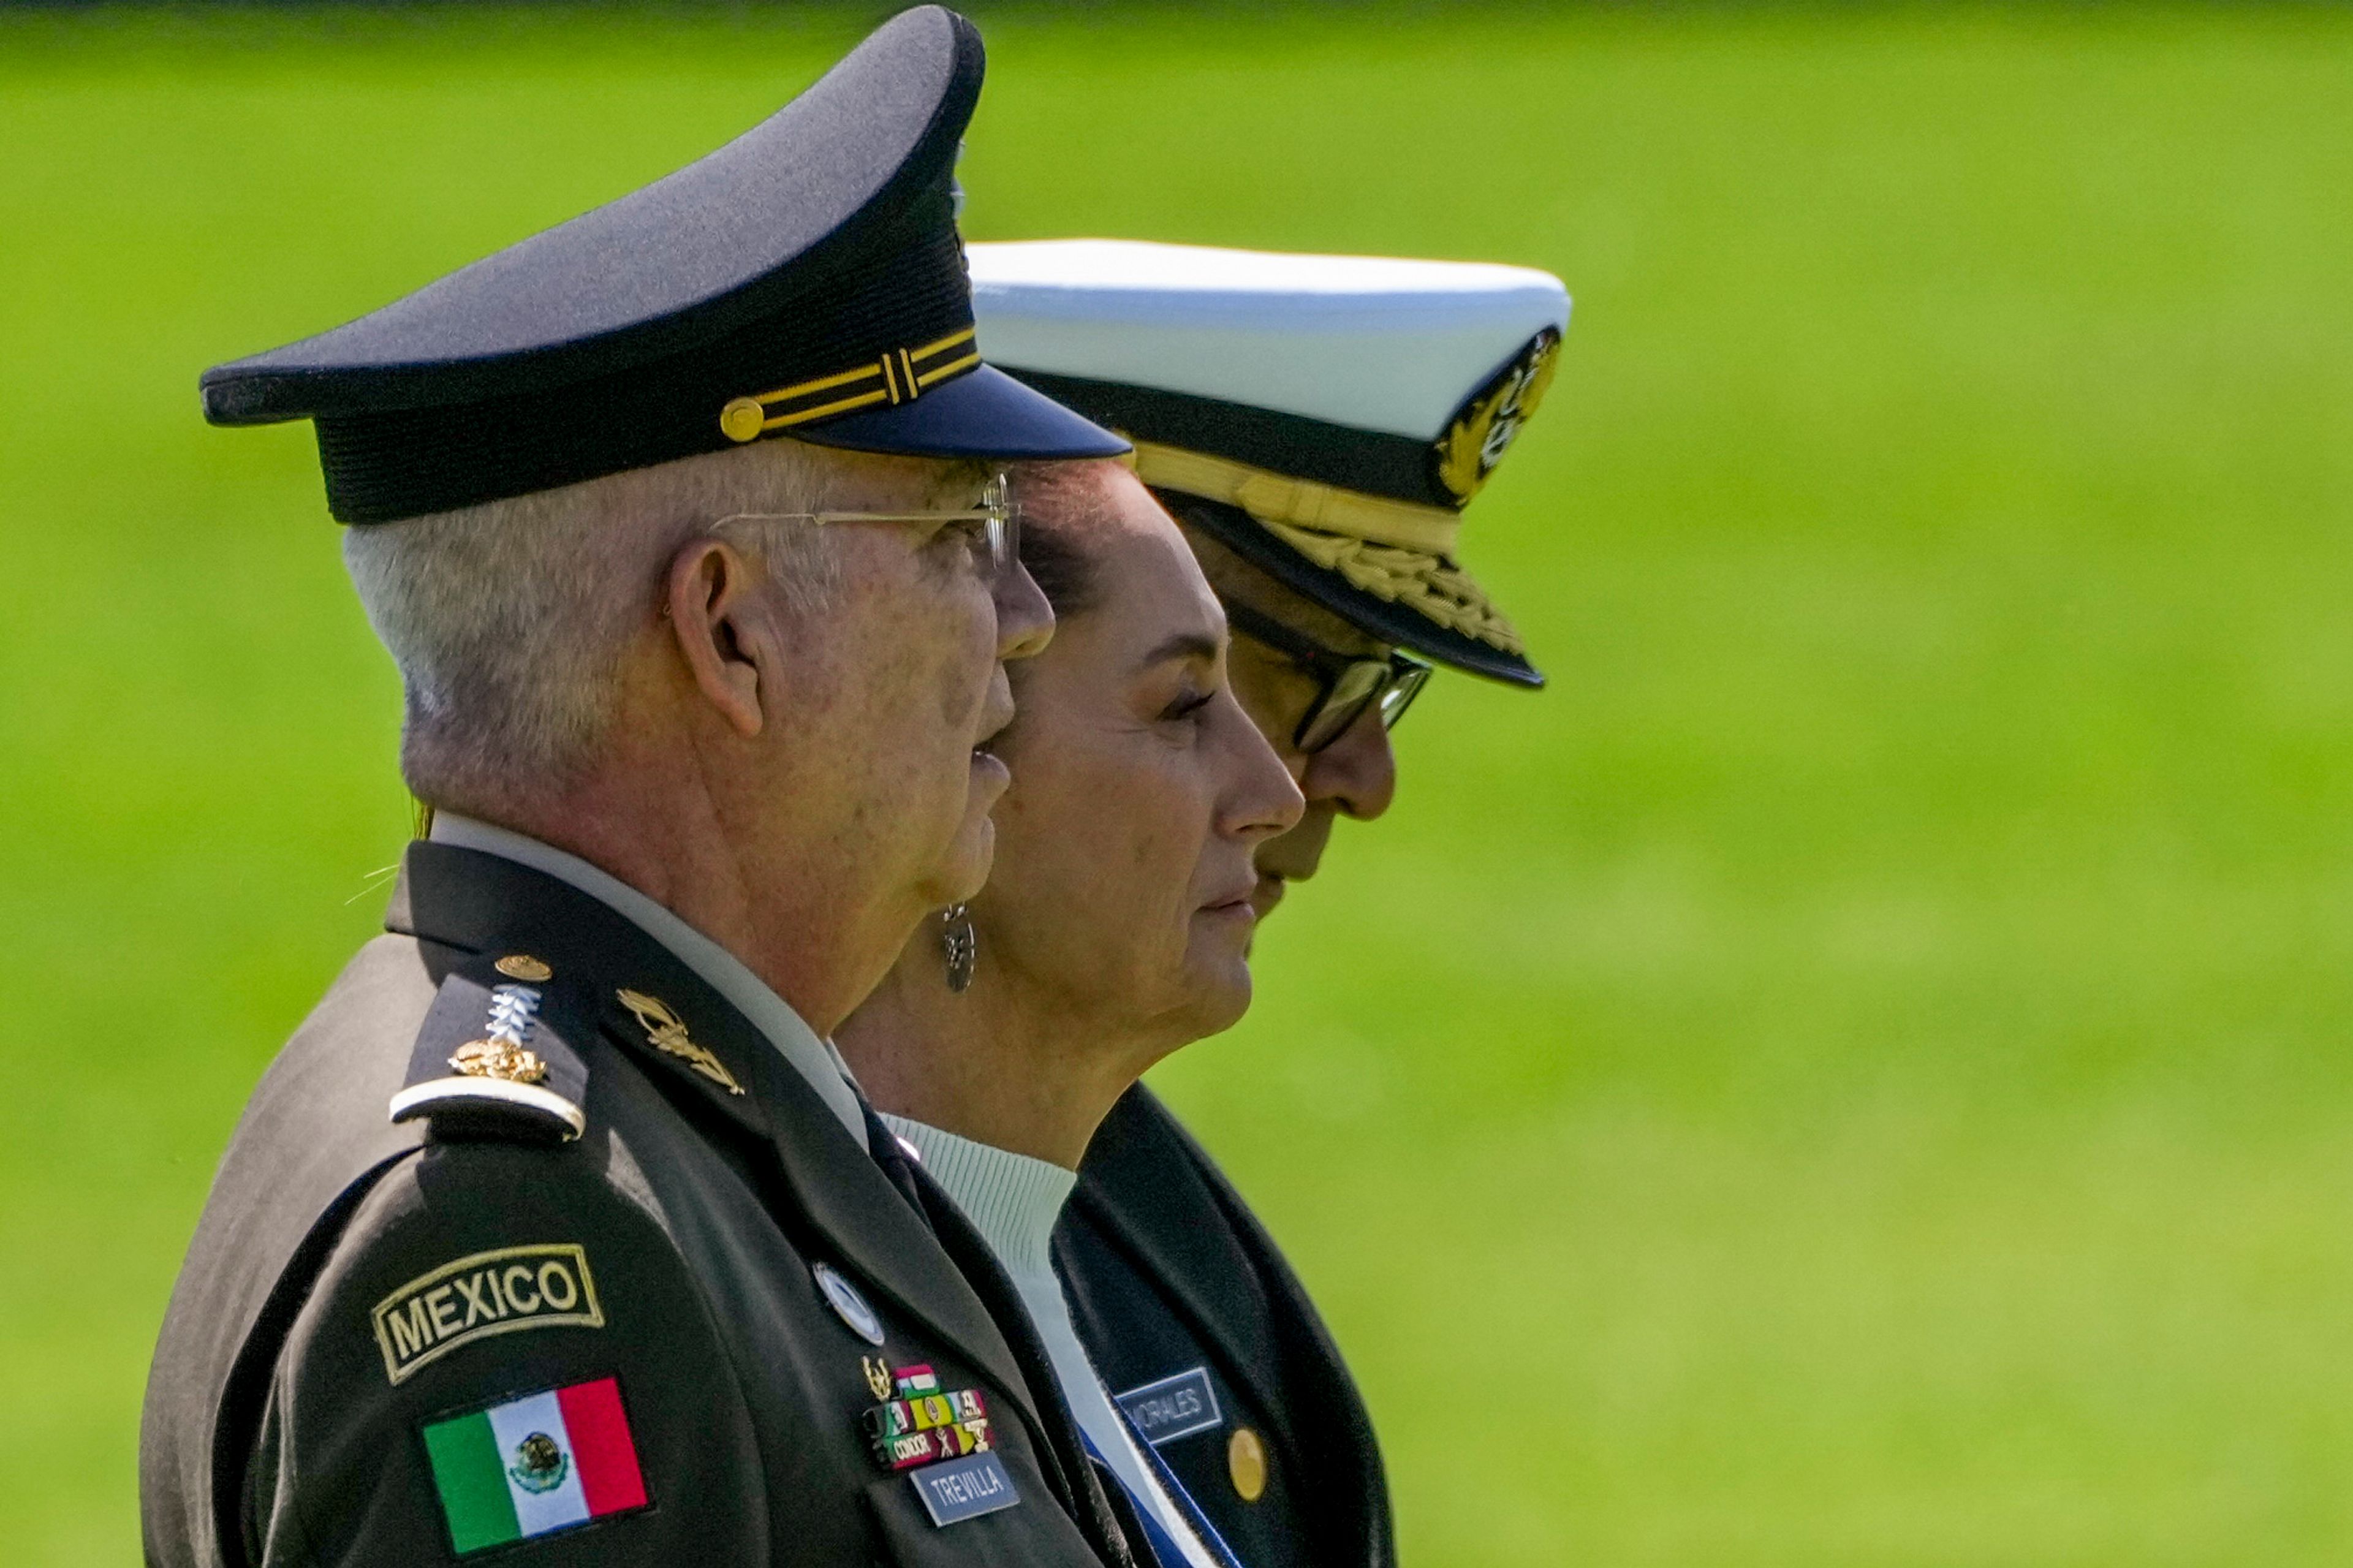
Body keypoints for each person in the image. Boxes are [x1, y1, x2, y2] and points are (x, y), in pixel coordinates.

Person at [139, 14, 1152, 1568]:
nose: (1020, 614)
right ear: (730, 627)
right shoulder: (522, 1231)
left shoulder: (682, 1106)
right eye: (958, 531)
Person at [963, 239, 1573, 1568]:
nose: (1352, 780)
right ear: (975, 644)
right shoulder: (674, 1219)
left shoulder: (1121, 1197)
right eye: (1204, 686)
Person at [836, 458, 1305, 1568]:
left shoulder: (1033, 1265)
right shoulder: (800, 1311)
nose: (1274, 796)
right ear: (955, 766)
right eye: (1184, 706)